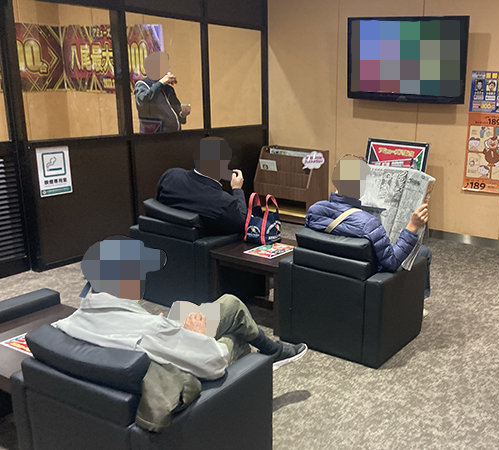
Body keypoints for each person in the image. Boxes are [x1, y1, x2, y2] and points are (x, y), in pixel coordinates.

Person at [55, 237, 308, 379]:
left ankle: (273, 350)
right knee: (236, 339)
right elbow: (213, 363)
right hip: (183, 368)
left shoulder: (73, 320)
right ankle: (269, 355)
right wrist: (196, 336)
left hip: (158, 343)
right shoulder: (152, 329)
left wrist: (163, 325)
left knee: (230, 304)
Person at [305, 156, 432, 317]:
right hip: (368, 278)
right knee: (424, 252)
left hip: (326, 275)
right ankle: (416, 304)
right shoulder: (369, 223)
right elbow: (391, 263)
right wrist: (412, 227)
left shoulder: (314, 210)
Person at [156, 137, 247, 235]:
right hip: (206, 243)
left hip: (161, 238)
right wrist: (237, 189)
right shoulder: (224, 202)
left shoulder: (170, 176)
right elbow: (242, 224)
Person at [134, 52, 190, 133]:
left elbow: (177, 116)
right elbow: (143, 101)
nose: (167, 70)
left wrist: (183, 114)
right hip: (154, 136)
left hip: (173, 135)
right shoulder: (143, 84)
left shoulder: (168, 89)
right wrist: (161, 83)